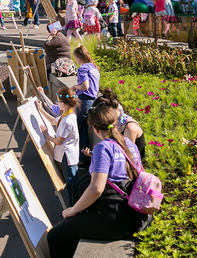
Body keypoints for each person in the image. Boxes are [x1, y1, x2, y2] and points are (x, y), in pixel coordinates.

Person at [45, 98, 147, 257]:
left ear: (94, 129)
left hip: (114, 218)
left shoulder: (103, 147)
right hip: (133, 214)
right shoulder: (128, 143)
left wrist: (73, 210)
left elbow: (96, 189)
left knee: (54, 236)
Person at [36, 87, 81, 206]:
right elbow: (53, 121)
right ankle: (75, 207)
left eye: (57, 102)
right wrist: (40, 110)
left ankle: (74, 208)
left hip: (67, 156)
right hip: (70, 155)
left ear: (63, 104)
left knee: (71, 185)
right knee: (73, 183)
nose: (56, 104)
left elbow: (59, 141)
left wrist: (47, 135)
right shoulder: (68, 115)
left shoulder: (67, 120)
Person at [71, 45, 100, 166]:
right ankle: (83, 159)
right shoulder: (93, 67)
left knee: (78, 130)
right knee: (84, 130)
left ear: (78, 58)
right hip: (93, 101)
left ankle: (79, 158)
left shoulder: (82, 68)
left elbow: (85, 86)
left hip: (83, 101)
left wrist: (75, 87)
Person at [97, 87, 145, 159]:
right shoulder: (114, 122)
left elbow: (129, 156)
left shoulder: (129, 127)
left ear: (109, 111)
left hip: (132, 166)